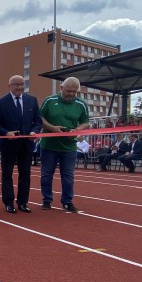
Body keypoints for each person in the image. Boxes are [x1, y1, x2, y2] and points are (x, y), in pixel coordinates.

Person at [39, 77, 90, 212]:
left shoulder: (81, 104)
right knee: (46, 175)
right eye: (68, 91)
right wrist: (52, 128)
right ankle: (47, 200)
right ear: (61, 88)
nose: (71, 94)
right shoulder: (49, 101)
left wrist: (78, 130)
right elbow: (40, 118)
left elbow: (86, 122)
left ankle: (67, 201)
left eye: (74, 92)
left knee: (68, 176)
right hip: (49, 146)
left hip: (69, 147)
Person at [0, 74, 41, 213]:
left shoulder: (32, 100)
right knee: (7, 174)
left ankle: (23, 202)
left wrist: (34, 132)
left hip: (26, 144)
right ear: (9, 86)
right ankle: (8, 202)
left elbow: (38, 121)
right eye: (16, 84)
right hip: (8, 144)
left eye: (22, 84)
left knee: (25, 173)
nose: (20, 87)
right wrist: (6, 133)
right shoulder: (0, 103)